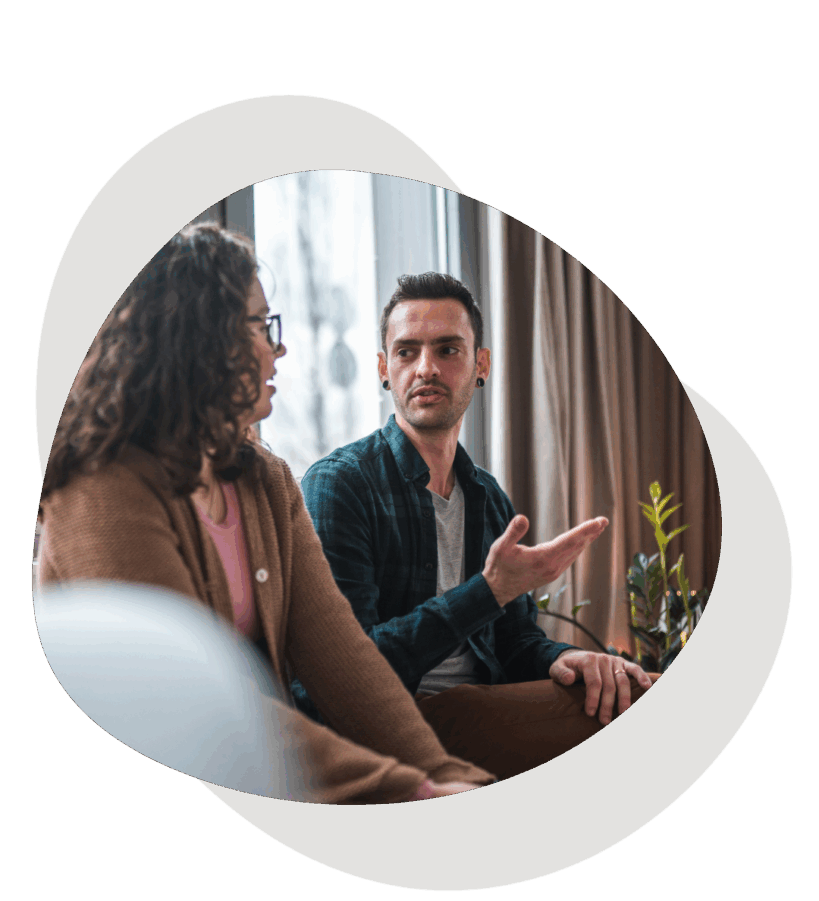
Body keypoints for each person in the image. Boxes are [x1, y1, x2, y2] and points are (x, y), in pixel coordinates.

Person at [37, 226, 494, 804]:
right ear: (199, 339)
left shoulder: (264, 479)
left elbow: (347, 663)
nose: (279, 349)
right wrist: (411, 789)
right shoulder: (103, 486)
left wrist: (450, 777)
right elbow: (196, 712)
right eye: (262, 326)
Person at [299, 272, 655, 780]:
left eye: (448, 349)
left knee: (631, 686)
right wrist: (486, 592)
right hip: (396, 730)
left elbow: (515, 644)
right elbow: (347, 675)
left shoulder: (487, 498)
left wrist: (569, 657)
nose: (425, 368)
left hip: (485, 709)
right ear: (383, 368)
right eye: (406, 352)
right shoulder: (340, 487)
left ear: (480, 364)